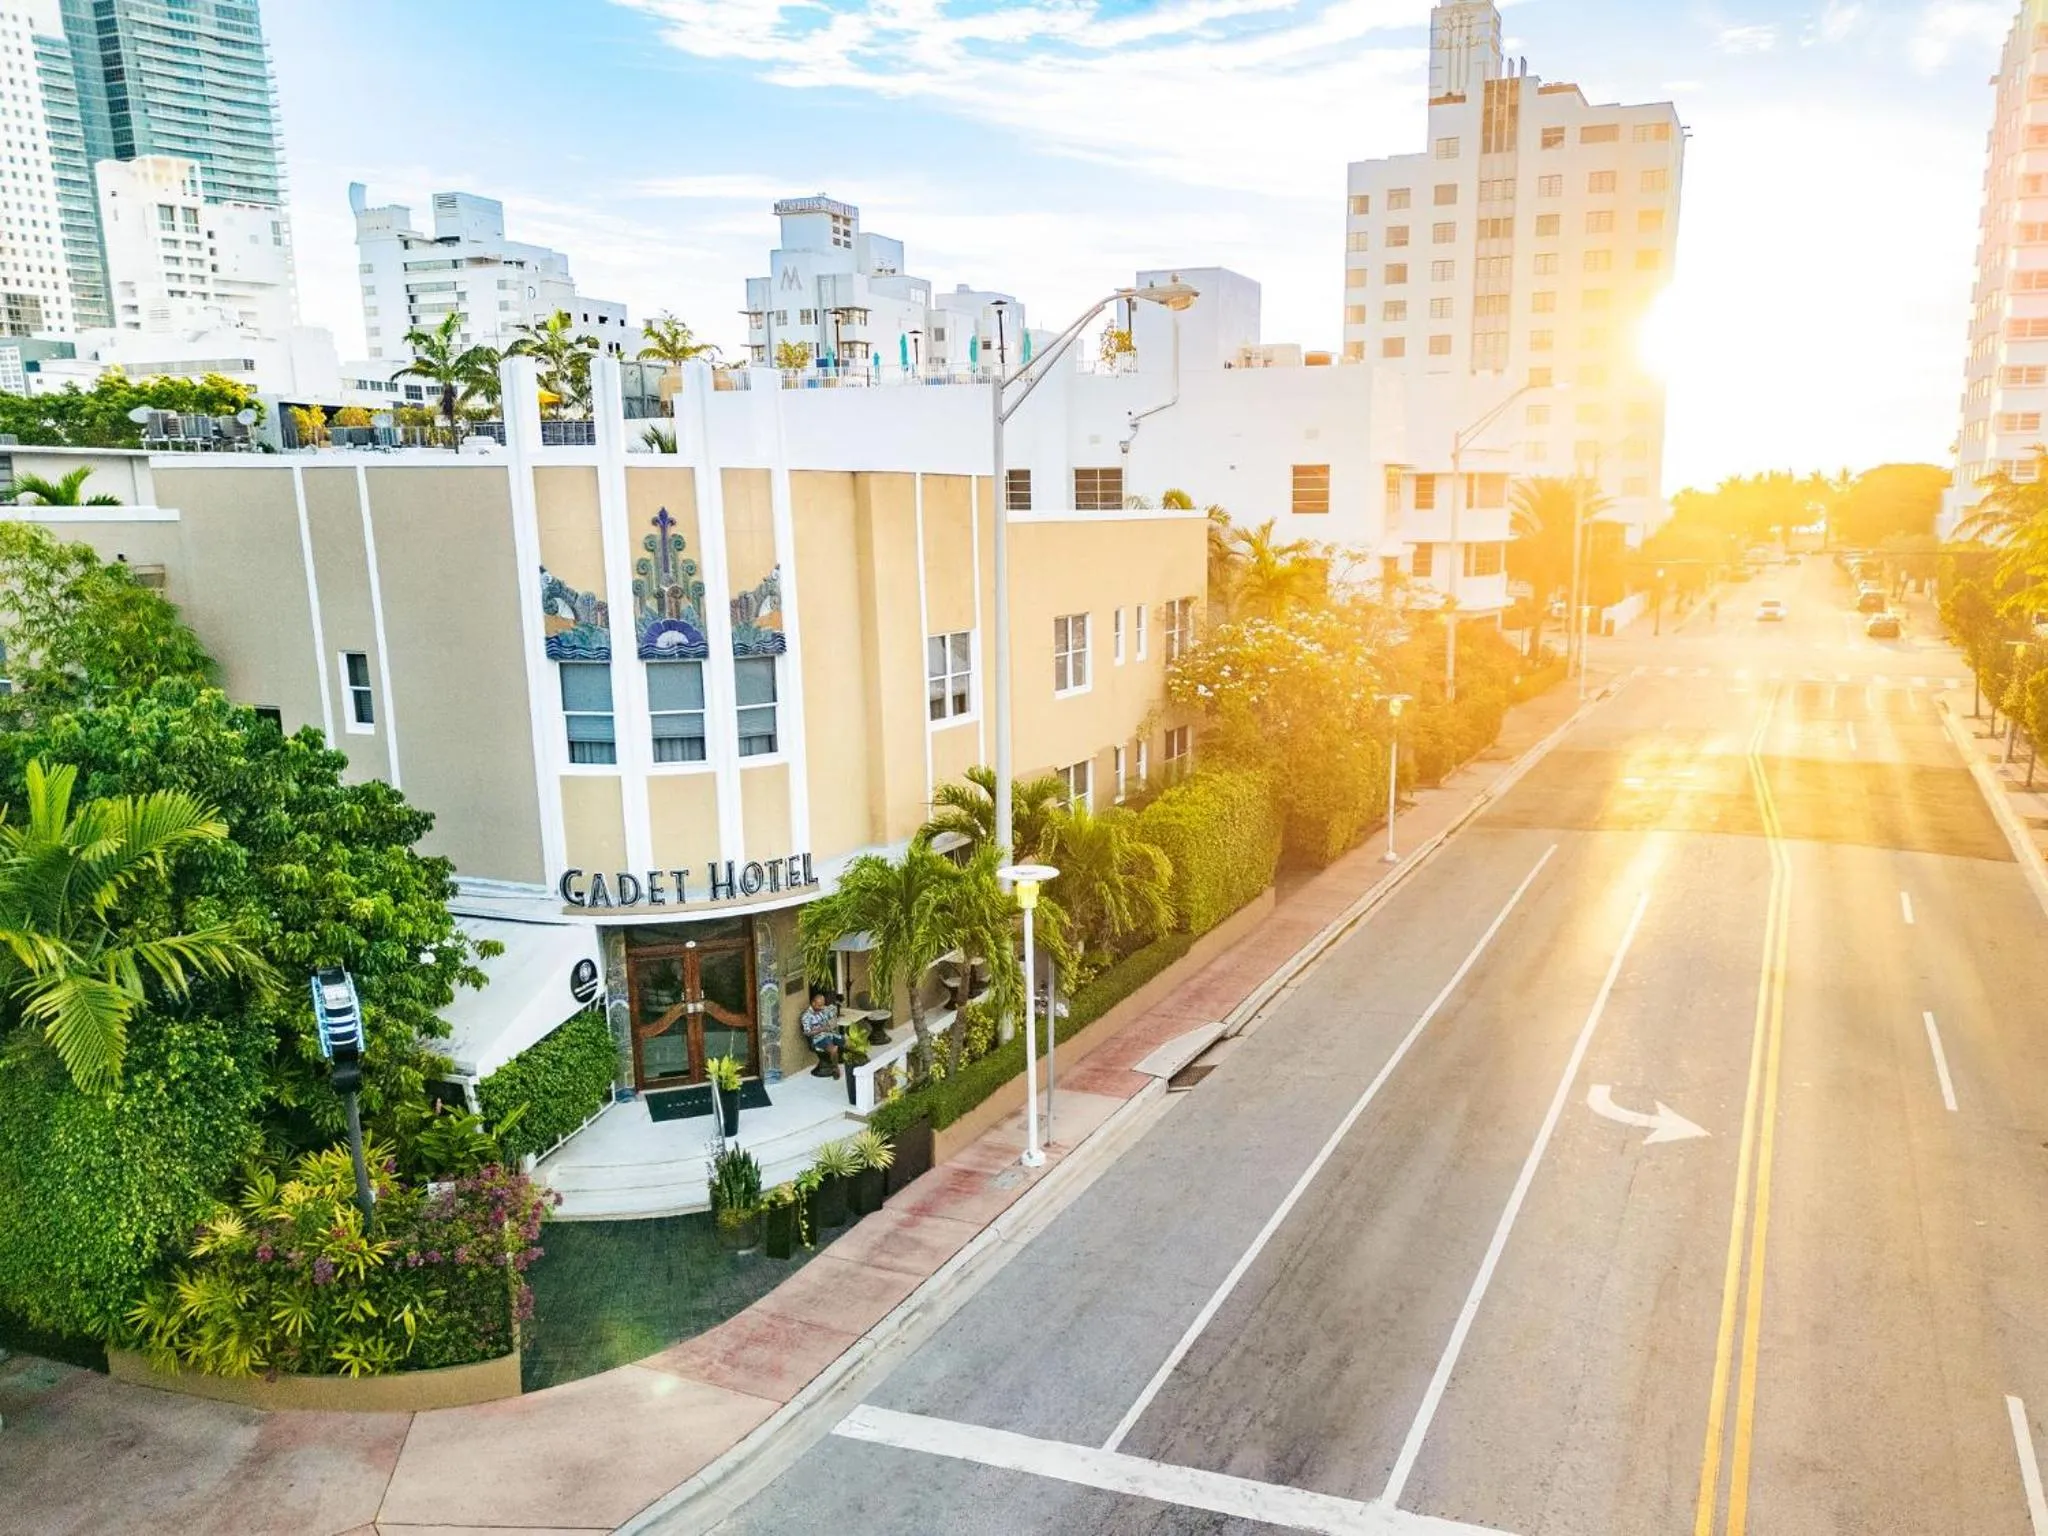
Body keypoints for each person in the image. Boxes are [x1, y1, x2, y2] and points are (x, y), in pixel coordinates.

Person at [800, 987, 843, 1077]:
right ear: (813, 1003)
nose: (821, 1007)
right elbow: (807, 1032)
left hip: (830, 1034)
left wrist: (834, 1010)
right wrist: (821, 1029)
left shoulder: (823, 1010)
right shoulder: (807, 1016)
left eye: (823, 1005)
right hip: (818, 1038)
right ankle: (835, 1068)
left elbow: (833, 1012)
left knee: (846, 1041)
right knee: (833, 1049)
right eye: (819, 1005)